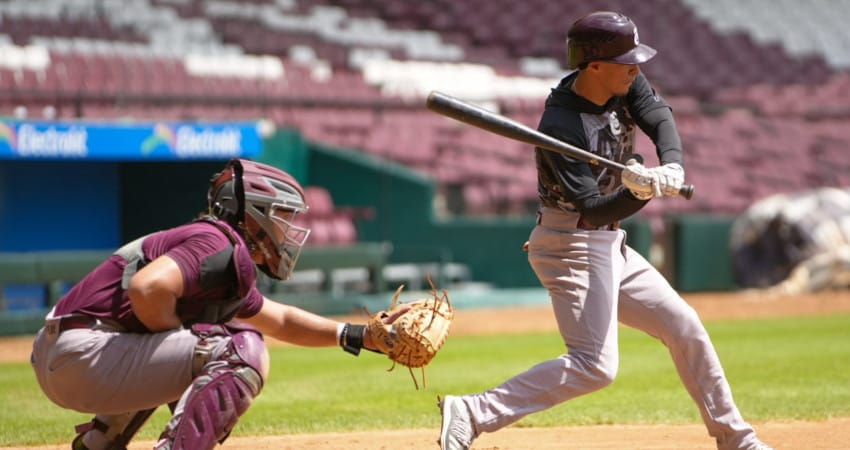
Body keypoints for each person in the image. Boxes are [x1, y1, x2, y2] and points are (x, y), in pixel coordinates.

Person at [438, 11, 773, 450]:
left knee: (684, 326)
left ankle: (736, 439)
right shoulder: (560, 126)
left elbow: (660, 117)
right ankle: (472, 411)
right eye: (627, 61)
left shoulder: (624, 80)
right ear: (594, 64)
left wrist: (670, 164)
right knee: (594, 365)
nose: (637, 70)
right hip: (570, 243)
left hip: (609, 243)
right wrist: (640, 192)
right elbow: (592, 210)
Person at [30, 158, 401, 450]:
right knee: (242, 349)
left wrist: (358, 335)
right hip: (86, 354)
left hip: (67, 354)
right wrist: (177, 335)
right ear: (252, 214)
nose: (288, 230)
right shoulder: (218, 244)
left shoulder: (215, 249)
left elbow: (281, 319)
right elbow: (147, 288)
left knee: (196, 341)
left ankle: (101, 441)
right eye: (281, 216)